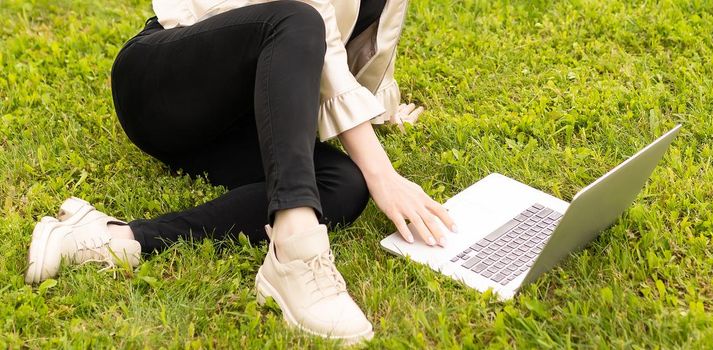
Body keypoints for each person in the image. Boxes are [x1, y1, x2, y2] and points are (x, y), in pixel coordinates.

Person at [23, 0, 453, 344]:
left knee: (343, 184)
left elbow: (367, 42)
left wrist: (379, 111)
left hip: (241, 116)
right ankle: (296, 253)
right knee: (297, 17)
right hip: (165, 86)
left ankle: (117, 238)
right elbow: (316, 24)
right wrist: (384, 173)